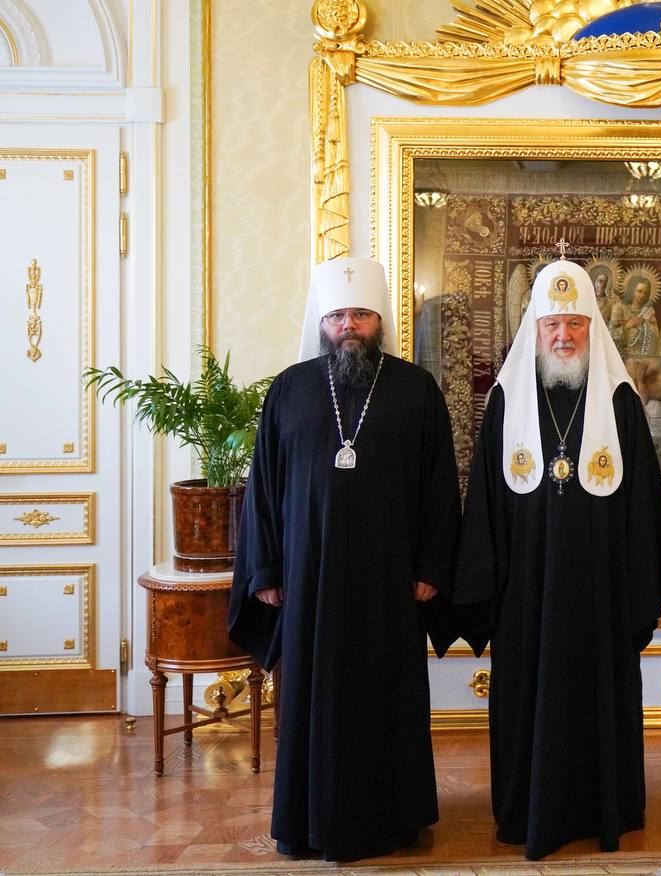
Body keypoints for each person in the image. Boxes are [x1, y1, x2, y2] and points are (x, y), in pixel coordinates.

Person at [227, 256, 462, 862]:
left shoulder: (416, 390)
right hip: (308, 578)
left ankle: (395, 819)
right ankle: (306, 821)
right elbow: (263, 489)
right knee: (311, 696)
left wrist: (431, 569)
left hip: (391, 581)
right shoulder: (290, 389)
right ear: (322, 322)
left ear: (380, 321)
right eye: (337, 316)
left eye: (360, 314)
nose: (348, 326)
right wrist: (266, 571)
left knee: (387, 697)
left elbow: (441, 487)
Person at [454, 255, 661, 861]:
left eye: (575, 323)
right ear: (535, 329)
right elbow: (485, 504)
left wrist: (637, 585)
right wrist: (486, 585)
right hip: (525, 593)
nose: (563, 335)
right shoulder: (506, 402)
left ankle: (606, 807)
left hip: (599, 591)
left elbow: (642, 506)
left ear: (592, 328)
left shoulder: (620, 402)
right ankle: (525, 807)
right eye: (552, 324)